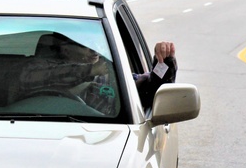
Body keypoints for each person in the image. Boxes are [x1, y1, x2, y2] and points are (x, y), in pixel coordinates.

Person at [11, 34, 177, 112]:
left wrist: (164, 62)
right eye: (85, 45)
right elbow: (31, 78)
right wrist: (88, 71)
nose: (95, 51)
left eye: (97, 44)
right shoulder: (37, 73)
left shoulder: (110, 77)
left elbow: (150, 87)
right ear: (65, 50)